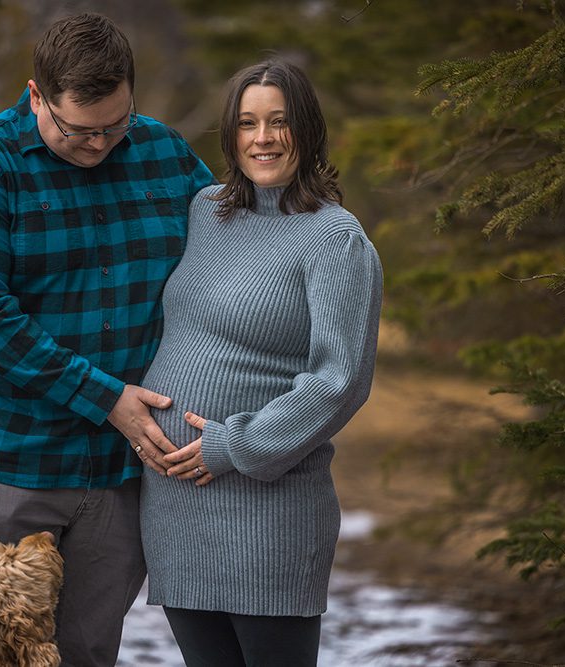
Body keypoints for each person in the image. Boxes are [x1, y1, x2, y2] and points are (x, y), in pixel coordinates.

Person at [0, 12, 214, 666]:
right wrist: (107, 396)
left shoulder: (164, 153)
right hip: (15, 460)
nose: (100, 144)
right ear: (36, 96)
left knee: (85, 651)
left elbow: (230, 252)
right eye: (80, 129)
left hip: (119, 474)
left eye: (116, 124)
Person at [138, 59, 383, 667]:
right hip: (176, 506)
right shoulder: (205, 211)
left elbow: (340, 379)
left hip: (267, 512)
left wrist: (237, 446)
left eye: (279, 122)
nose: (263, 138)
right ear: (231, 134)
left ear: (306, 128)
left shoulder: (334, 238)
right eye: (247, 123)